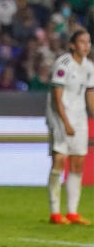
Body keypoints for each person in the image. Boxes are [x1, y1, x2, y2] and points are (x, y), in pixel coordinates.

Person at [46, 29, 94, 225]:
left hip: (79, 115)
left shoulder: (90, 67)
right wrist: (65, 122)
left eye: (88, 42)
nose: (86, 45)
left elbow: (89, 94)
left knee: (78, 162)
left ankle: (72, 212)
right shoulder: (63, 63)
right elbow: (57, 96)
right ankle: (55, 212)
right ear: (73, 45)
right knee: (59, 158)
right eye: (82, 42)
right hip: (59, 114)